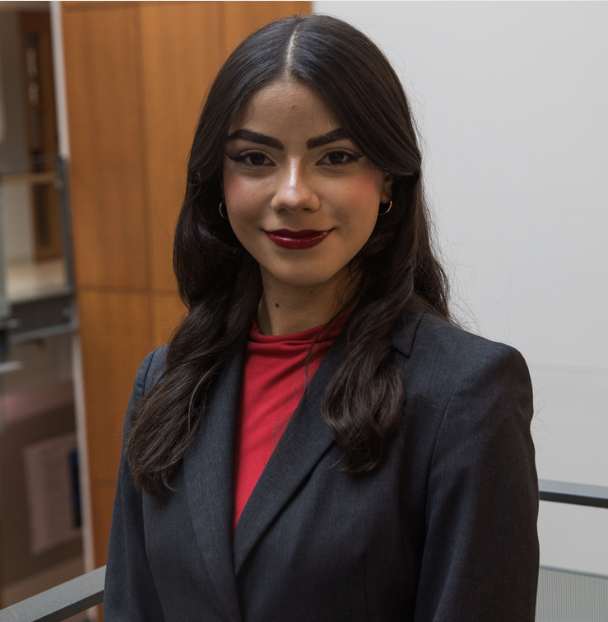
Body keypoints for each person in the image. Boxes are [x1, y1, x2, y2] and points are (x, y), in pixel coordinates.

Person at [103, 14, 539, 622]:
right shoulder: (165, 382)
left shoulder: (466, 394)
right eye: (256, 158)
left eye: (335, 157)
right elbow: (133, 608)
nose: (292, 194)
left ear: (388, 179)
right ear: (218, 183)